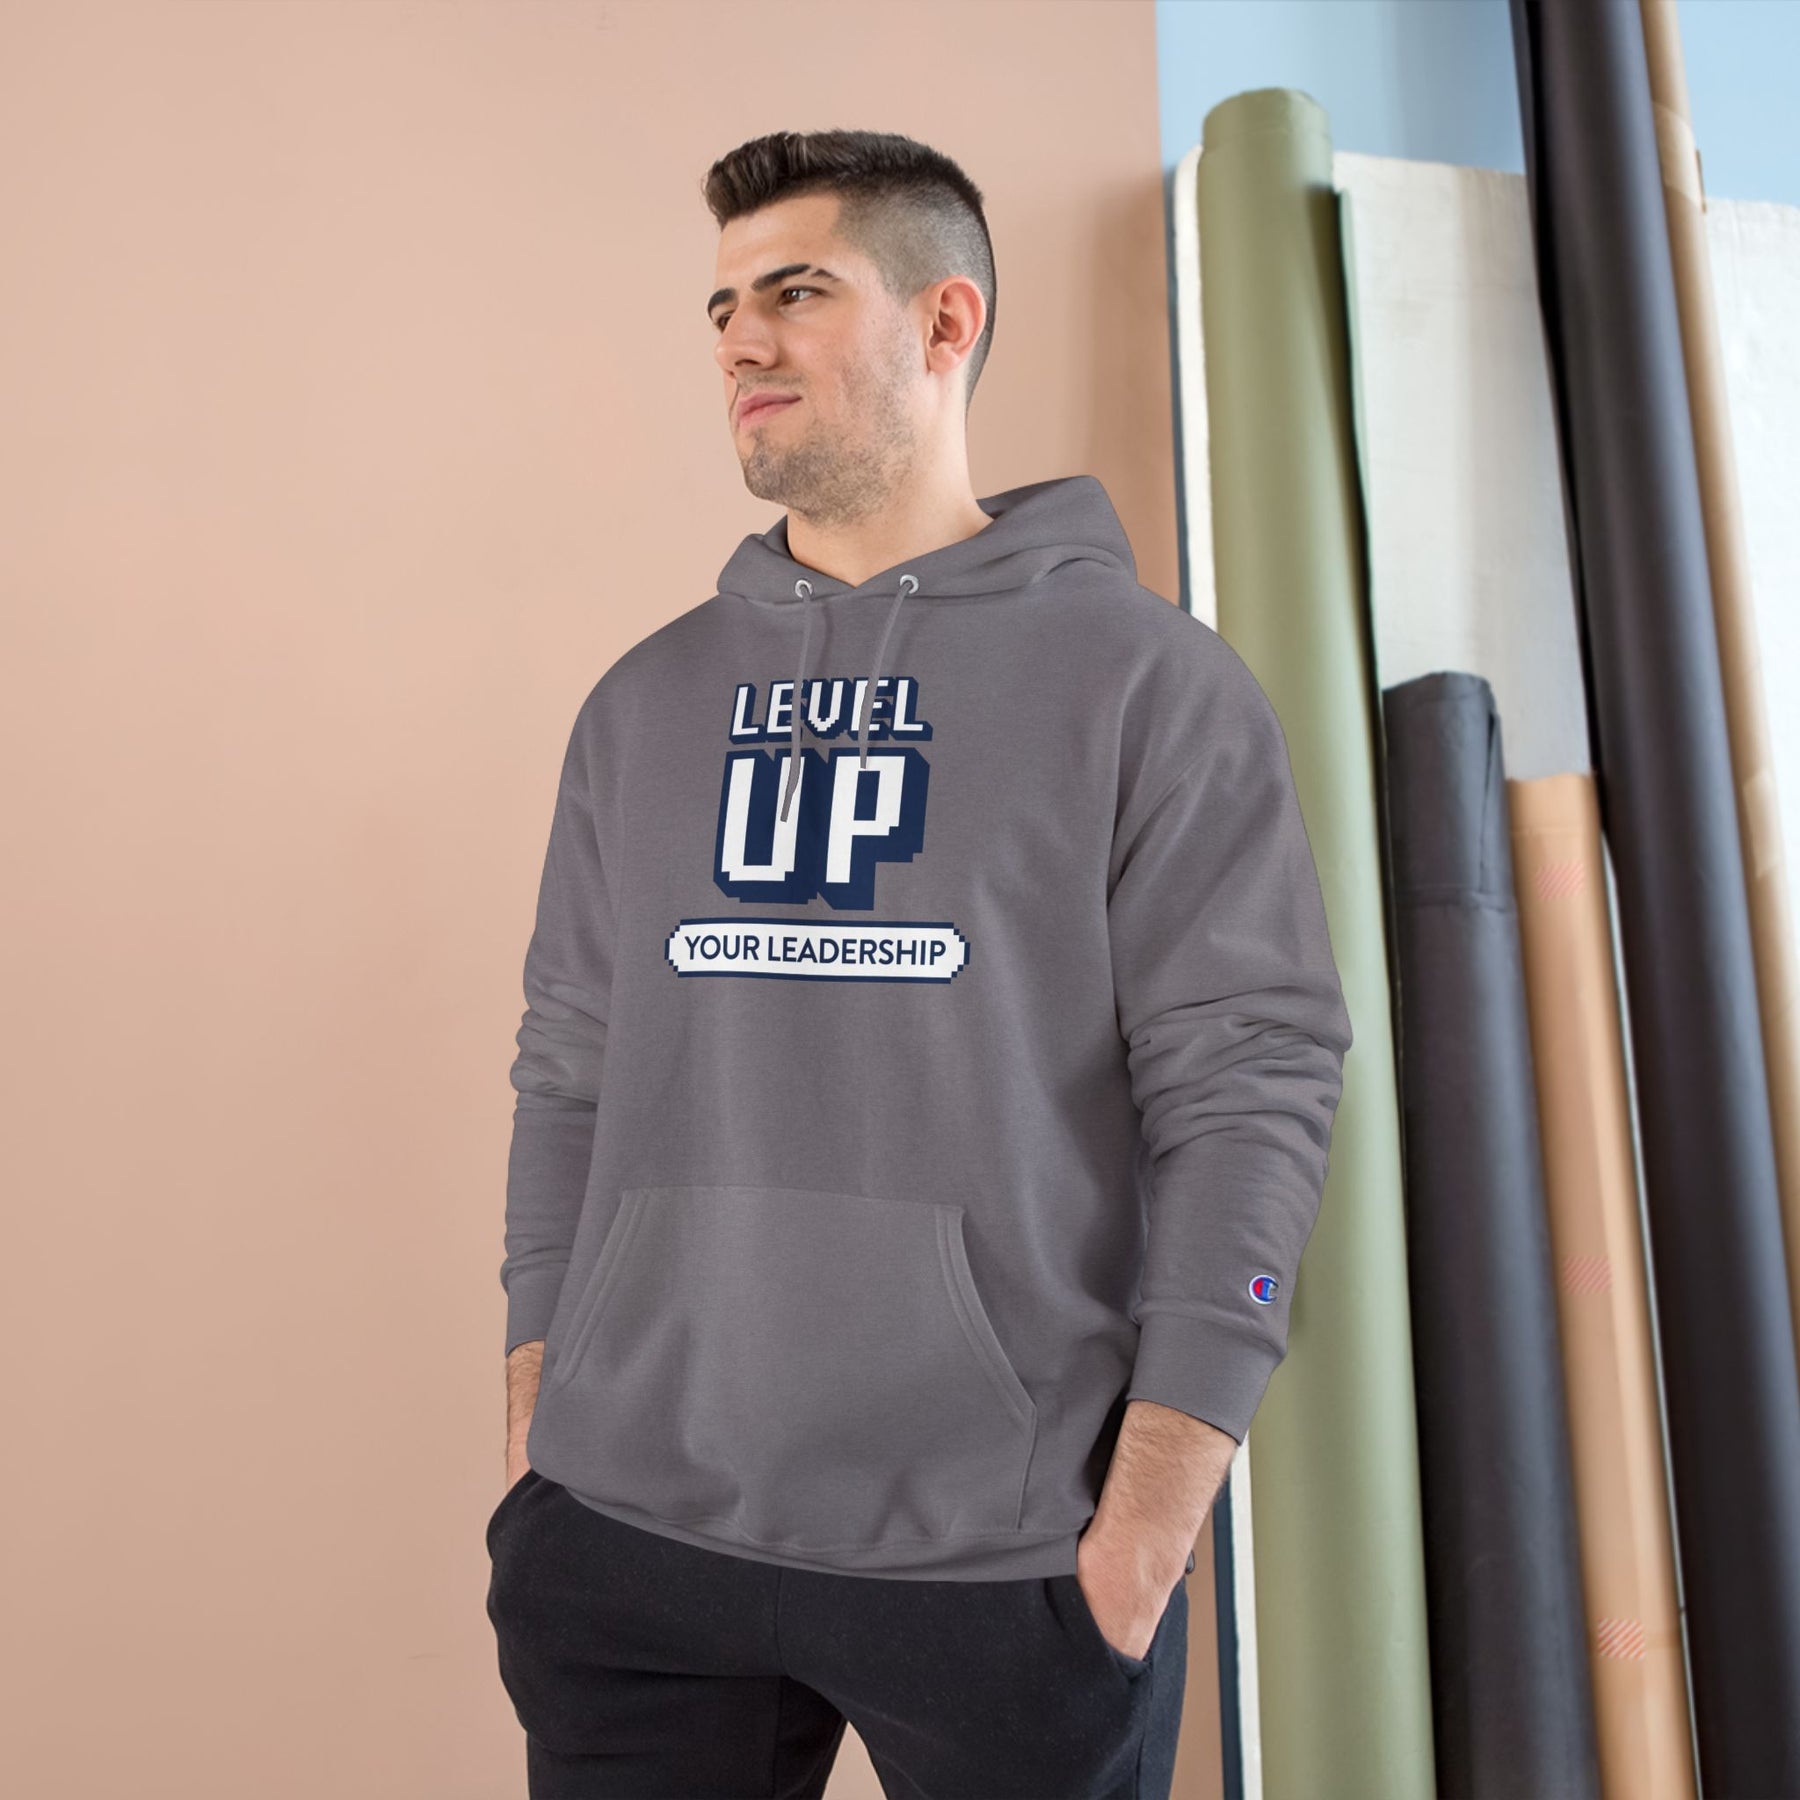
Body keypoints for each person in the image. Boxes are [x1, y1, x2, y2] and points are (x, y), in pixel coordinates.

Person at [484, 127, 1353, 1800]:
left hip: (1003, 1557)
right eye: (723, 306)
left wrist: (1153, 1519)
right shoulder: (645, 705)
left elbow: (1251, 1091)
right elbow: (567, 1065)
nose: (739, 342)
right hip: (629, 1538)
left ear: (947, 321)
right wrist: (540, 1410)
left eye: (796, 293)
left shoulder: (1149, 688)